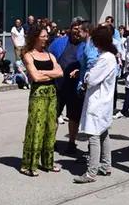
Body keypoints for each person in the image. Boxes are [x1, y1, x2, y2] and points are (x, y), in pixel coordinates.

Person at [73, 25, 119, 184]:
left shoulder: (105, 58)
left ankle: (91, 172)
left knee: (94, 135)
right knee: (104, 133)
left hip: (98, 102)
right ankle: (106, 165)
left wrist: (86, 74)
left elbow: (92, 79)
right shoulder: (110, 56)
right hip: (103, 101)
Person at [19, 24, 64, 177]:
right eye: (43, 36)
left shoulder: (49, 55)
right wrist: (50, 74)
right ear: (35, 37)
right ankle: (29, 165)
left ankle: (48, 162)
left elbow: (60, 72)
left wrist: (44, 72)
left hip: (52, 94)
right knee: (35, 128)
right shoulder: (28, 55)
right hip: (38, 95)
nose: (46, 38)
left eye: (47, 36)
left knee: (51, 127)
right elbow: (35, 77)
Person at [49, 18, 91, 155]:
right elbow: (49, 57)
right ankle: (51, 142)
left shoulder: (86, 45)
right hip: (58, 85)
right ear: (70, 28)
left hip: (75, 88)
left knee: (74, 117)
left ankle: (72, 143)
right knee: (53, 115)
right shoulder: (59, 42)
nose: (77, 32)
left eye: (80, 29)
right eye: (75, 28)